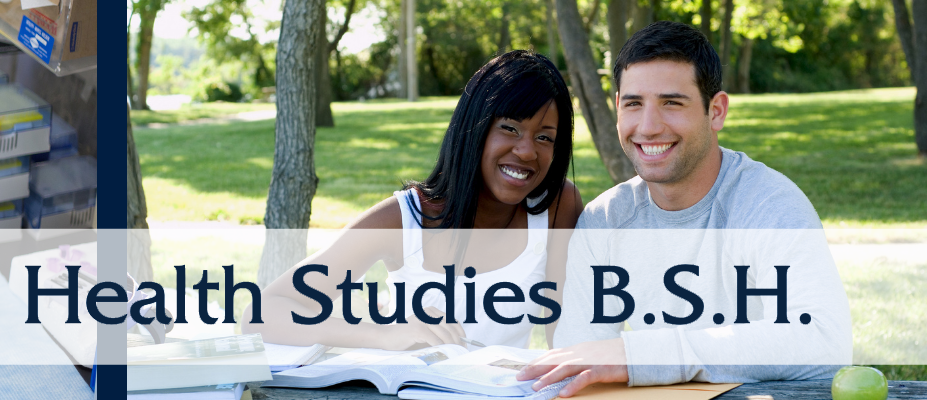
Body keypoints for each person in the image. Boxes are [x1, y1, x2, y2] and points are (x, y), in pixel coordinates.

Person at [516, 21, 852, 397]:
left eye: (671, 103)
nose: (648, 126)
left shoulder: (768, 205)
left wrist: (643, 356)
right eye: (633, 104)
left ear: (716, 111)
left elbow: (825, 342)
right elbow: (579, 362)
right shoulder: (605, 221)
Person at [242, 50, 583, 351]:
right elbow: (262, 314)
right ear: (473, 128)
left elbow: (567, 337)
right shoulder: (403, 218)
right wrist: (384, 334)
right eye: (509, 128)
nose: (526, 151)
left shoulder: (557, 206)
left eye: (544, 137)